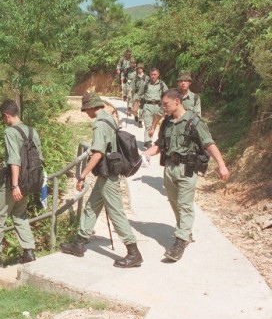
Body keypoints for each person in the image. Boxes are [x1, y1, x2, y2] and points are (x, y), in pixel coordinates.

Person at [143, 88, 230, 261]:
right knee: (175, 203)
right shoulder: (167, 123)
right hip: (169, 169)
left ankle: (180, 241)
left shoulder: (194, 121)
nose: (163, 108)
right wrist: (146, 154)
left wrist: (221, 165)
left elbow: (209, 144)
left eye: (166, 104)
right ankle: (185, 231)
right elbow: (160, 145)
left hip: (187, 169)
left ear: (177, 102)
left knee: (184, 205)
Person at [60, 93, 142, 268]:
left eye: (85, 110)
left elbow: (98, 153)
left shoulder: (99, 124)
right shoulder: (109, 118)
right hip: (107, 174)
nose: (86, 113)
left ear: (91, 107)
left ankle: (133, 252)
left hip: (108, 176)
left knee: (116, 213)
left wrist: (82, 175)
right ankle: (79, 243)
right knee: (91, 206)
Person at [0, 99, 43, 272]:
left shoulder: (10, 132)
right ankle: (29, 251)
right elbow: (40, 158)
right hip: (30, 180)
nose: (3, 121)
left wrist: (15, 185)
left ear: (6, 115)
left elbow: (14, 160)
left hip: (13, 182)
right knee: (20, 215)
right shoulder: (32, 131)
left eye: (3, 118)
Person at [140, 68, 168, 149]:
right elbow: (139, 94)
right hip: (148, 106)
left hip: (158, 106)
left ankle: (153, 139)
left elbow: (167, 94)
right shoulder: (146, 84)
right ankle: (148, 142)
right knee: (148, 125)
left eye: (155, 74)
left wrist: (166, 106)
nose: (153, 76)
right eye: (151, 74)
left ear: (158, 75)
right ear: (149, 75)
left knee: (154, 124)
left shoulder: (162, 84)